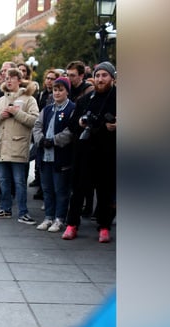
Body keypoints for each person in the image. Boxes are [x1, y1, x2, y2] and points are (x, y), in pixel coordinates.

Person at [63, 62, 116, 243]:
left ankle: (104, 227)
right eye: (98, 75)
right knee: (78, 191)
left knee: (105, 192)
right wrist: (79, 123)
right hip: (84, 153)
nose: (101, 79)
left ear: (112, 78)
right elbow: (71, 125)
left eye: (104, 75)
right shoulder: (85, 100)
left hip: (108, 154)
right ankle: (72, 224)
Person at [0, 68, 39, 224]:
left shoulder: (29, 99)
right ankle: (5, 209)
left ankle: (23, 212)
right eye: (6, 78)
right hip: (2, 146)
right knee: (3, 180)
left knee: (19, 181)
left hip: (18, 146)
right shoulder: (1, 100)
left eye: (12, 78)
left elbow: (35, 121)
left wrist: (17, 113)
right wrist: (0, 116)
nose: (8, 80)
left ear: (19, 80)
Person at [33, 76, 76, 232]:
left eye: (60, 90)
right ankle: (48, 217)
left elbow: (70, 131)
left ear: (67, 91)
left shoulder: (71, 109)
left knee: (61, 190)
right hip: (45, 156)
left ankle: (59, 218)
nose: (57, 93)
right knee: (47, 188)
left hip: (61, 157)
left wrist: (54, 140)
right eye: (55, 90)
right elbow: (37, 126)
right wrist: (41, 140)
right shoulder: (47, 109)